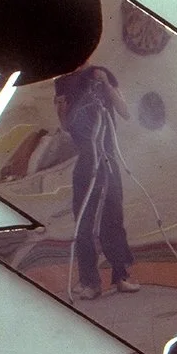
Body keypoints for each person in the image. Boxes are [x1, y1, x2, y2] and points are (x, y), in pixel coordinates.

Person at [53, 63, 136, 300]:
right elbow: (66, 126)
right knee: (84, 223)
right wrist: (61, 109)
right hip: (87, 161)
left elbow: (125, 111)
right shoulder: (62, 82)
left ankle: (121, 276)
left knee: (113, 218)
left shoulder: (103, 74)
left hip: (108, 159)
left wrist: (106, 84)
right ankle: (90, 282)